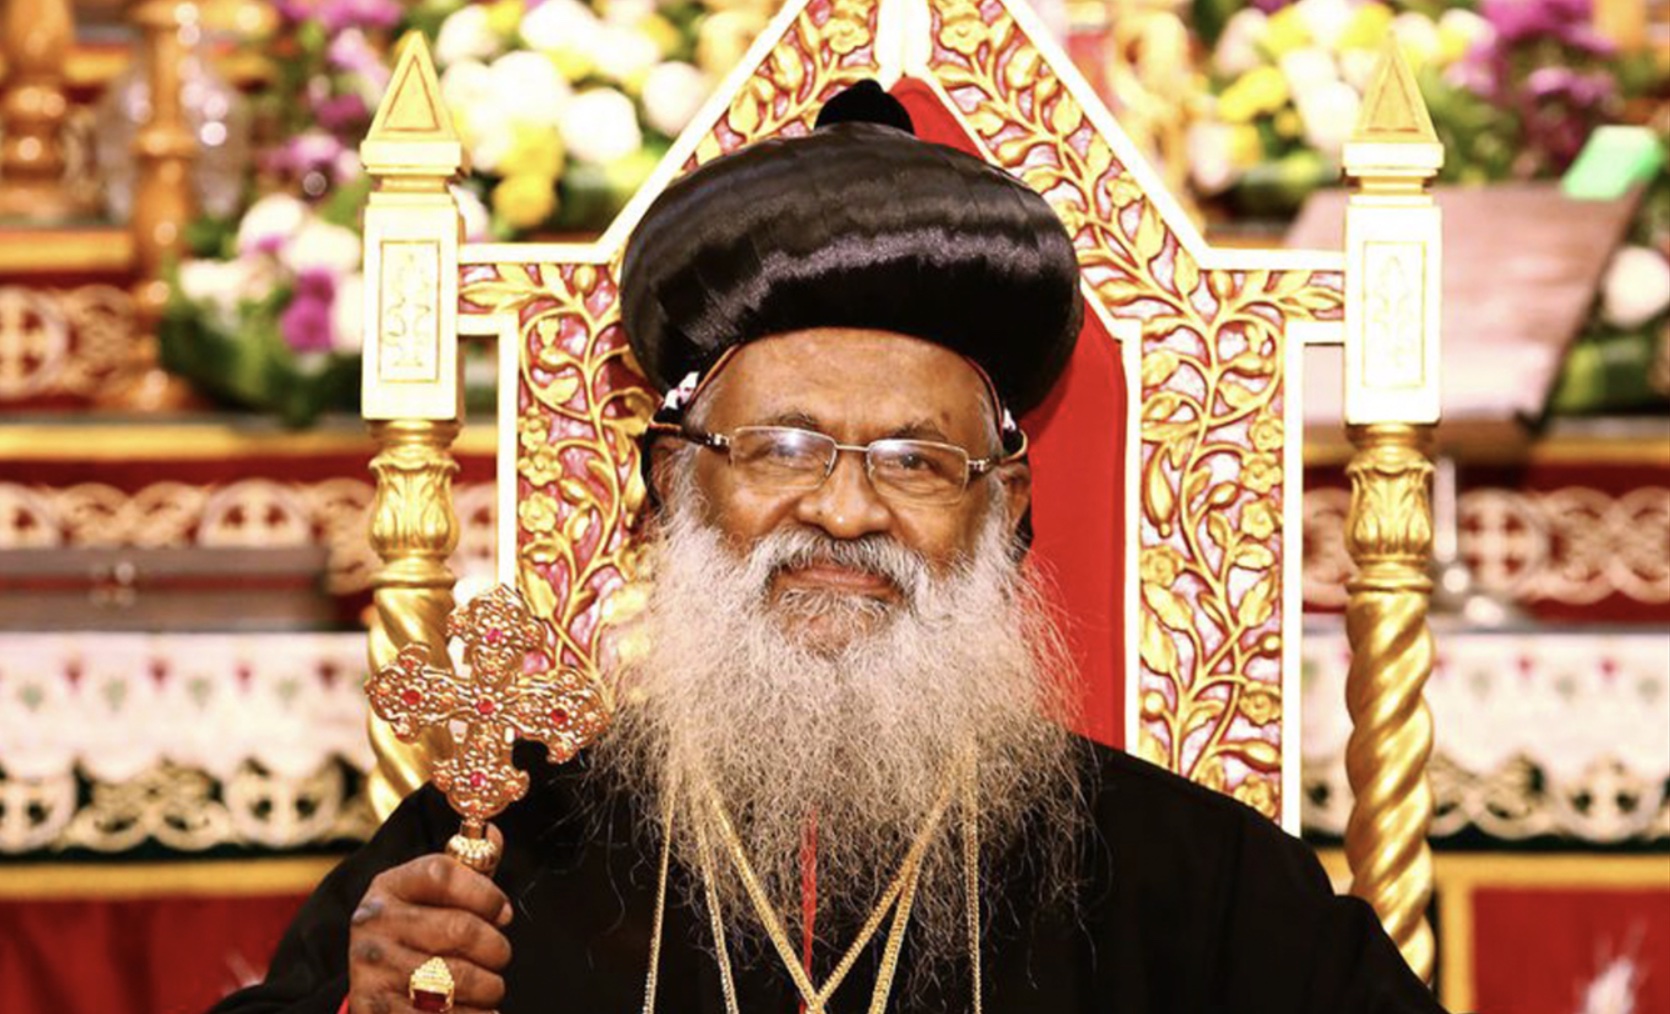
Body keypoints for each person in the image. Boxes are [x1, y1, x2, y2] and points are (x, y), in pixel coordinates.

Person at [212, 83, 1450, 1014]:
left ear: (1004, 505)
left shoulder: (1193, 884)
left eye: (914, 460)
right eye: (782, 448)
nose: (846, 512)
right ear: (669, 481)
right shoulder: (489, 855)